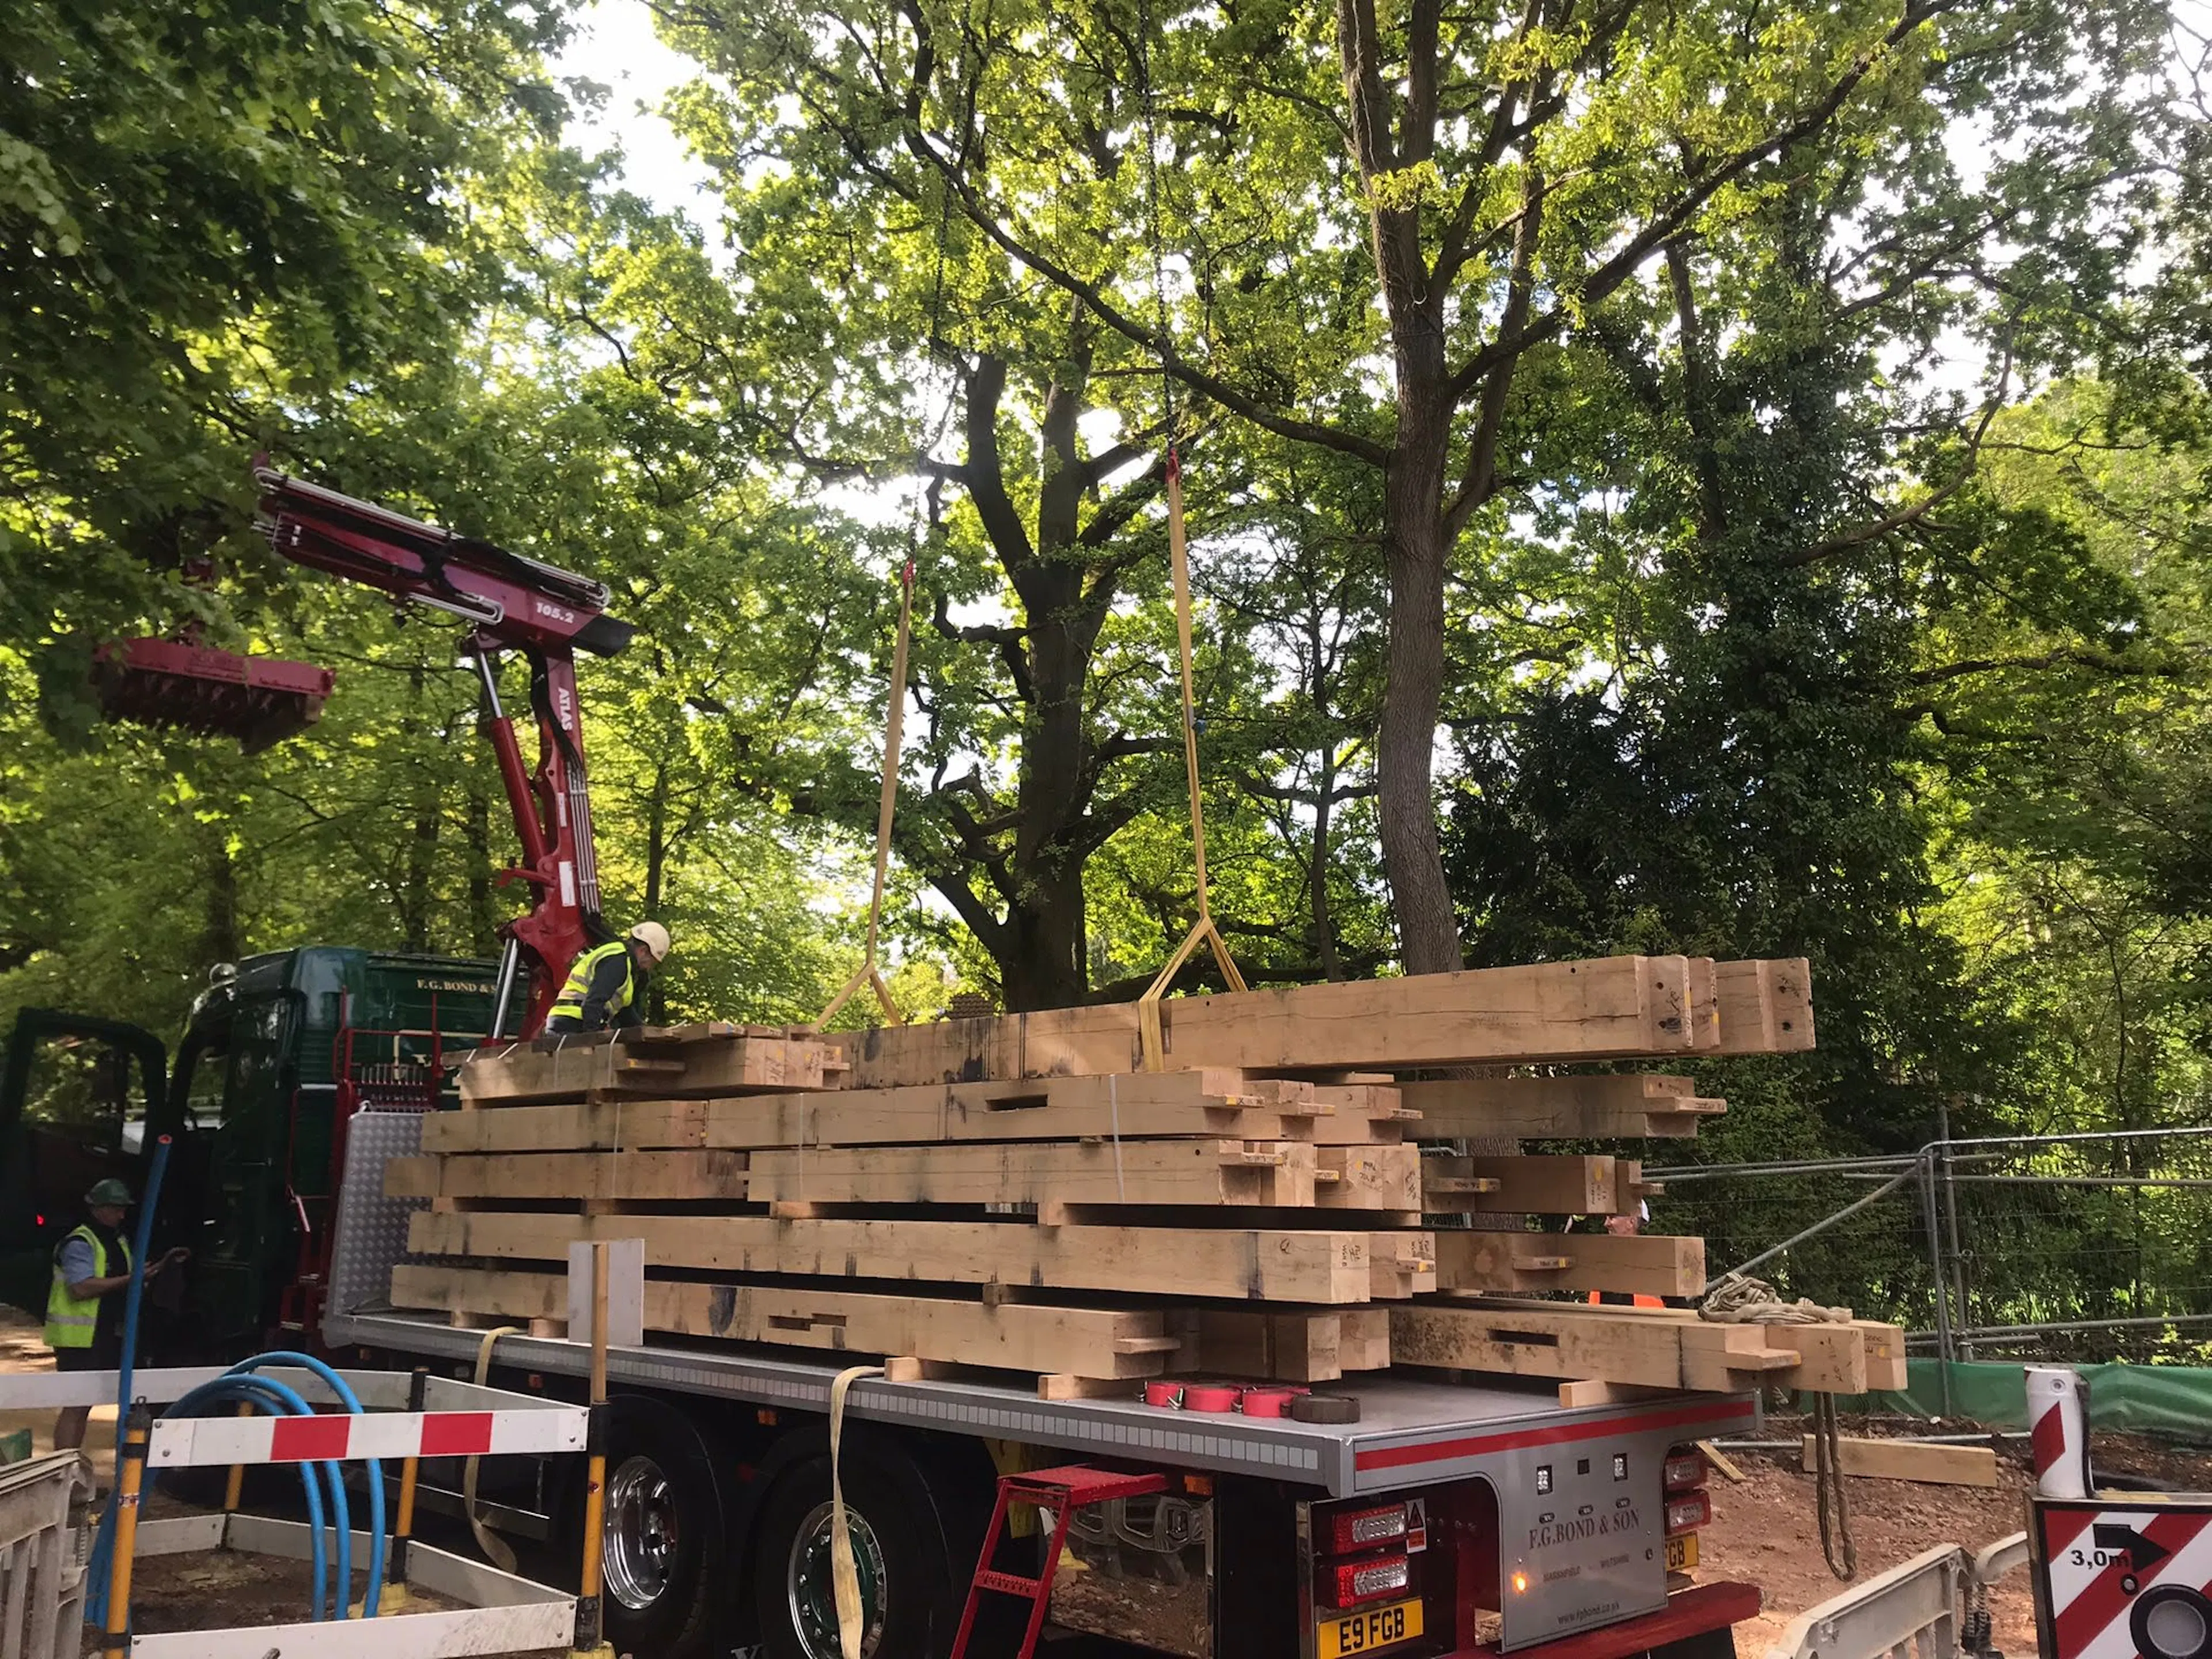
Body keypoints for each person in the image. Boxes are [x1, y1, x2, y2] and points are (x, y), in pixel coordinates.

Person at [47, 1179, 188, 1450]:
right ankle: (65, 1476)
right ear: (98, 1209)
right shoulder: (80, 1243)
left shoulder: (118, 1241)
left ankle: (104, 1476)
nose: (122, 1215)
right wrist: (133, 1278)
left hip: (110, 1333)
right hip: (80, 1340)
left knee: (117, 1401)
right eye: (116, 1209)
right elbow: (81, 1288)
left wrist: (159, 1267)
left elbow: (129, 1280)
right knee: (77, 1406)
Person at [544, 922, 671, 1034]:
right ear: (643, 951)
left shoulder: (624, 966)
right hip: (571, 1023)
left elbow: (625, 1014)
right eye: (652, 962)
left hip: (572, 1021)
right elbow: (593, 1003)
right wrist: (593, 1038)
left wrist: (647, 1032)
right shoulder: (617, 961)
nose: (648, 968)